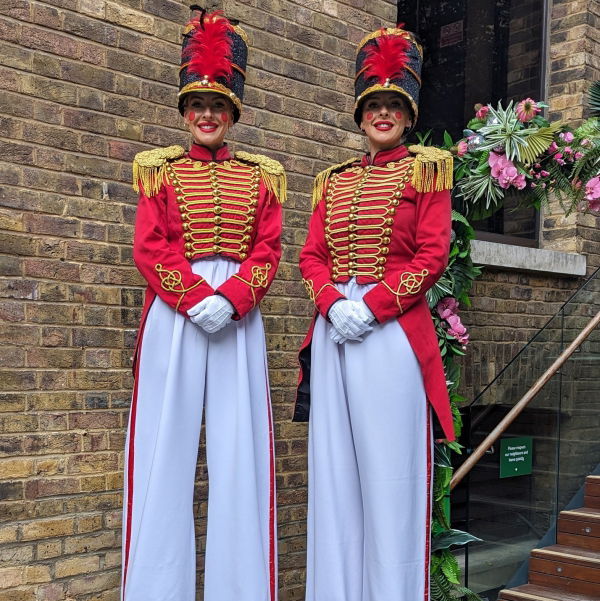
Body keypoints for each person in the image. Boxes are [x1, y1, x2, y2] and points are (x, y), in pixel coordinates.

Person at [121, 8, 284, 601]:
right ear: (186, 113)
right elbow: (150, 247)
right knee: (164, 453)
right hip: (174, 314)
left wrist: (235, 298)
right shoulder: (157, 172)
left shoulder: (263, 178)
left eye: (218, 105)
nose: (208, 115)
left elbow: (268, 250)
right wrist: (194, 298)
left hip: (238, 321)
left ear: (232, 113)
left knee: (241, 455)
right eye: (198, 105)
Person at [294, 25, 456, 601]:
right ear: (360, 114)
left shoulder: (427, 170)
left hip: (390, 334)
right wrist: (335, 304)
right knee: (334, 478)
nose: (382, 114)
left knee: (390, 480)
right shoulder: (331, 182)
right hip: (335, 332)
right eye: (373, 105)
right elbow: (312, 255)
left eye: (393, 105)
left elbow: (434, 254)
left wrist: (377, 305)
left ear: (407, 116)